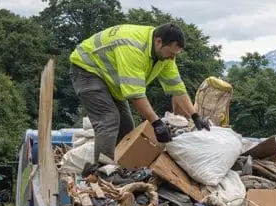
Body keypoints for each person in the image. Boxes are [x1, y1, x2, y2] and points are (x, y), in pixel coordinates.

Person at [69, 23, 211, 164]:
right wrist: (157, 123)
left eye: (175, 54)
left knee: (127, 128)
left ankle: (121, 166)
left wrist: (195, 116)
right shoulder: (133, 48)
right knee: (109, 120)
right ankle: (102, 171)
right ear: (158, 41)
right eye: (171, 53)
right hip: (87, 70)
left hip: (110, 81)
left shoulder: (165, 57)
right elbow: (135, 95)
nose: (172, 58)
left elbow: (177, 89)